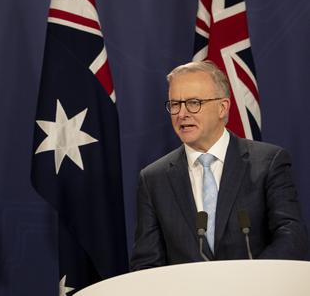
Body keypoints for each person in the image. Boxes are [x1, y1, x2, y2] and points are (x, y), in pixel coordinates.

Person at [130, 61, 307, 270]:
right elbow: (147, 262)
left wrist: (251, 281)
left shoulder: (268, 162)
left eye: (193, 102)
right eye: (175, 104)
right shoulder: (153, 178)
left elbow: (291, 235)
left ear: (223, 107)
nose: (182, 113)